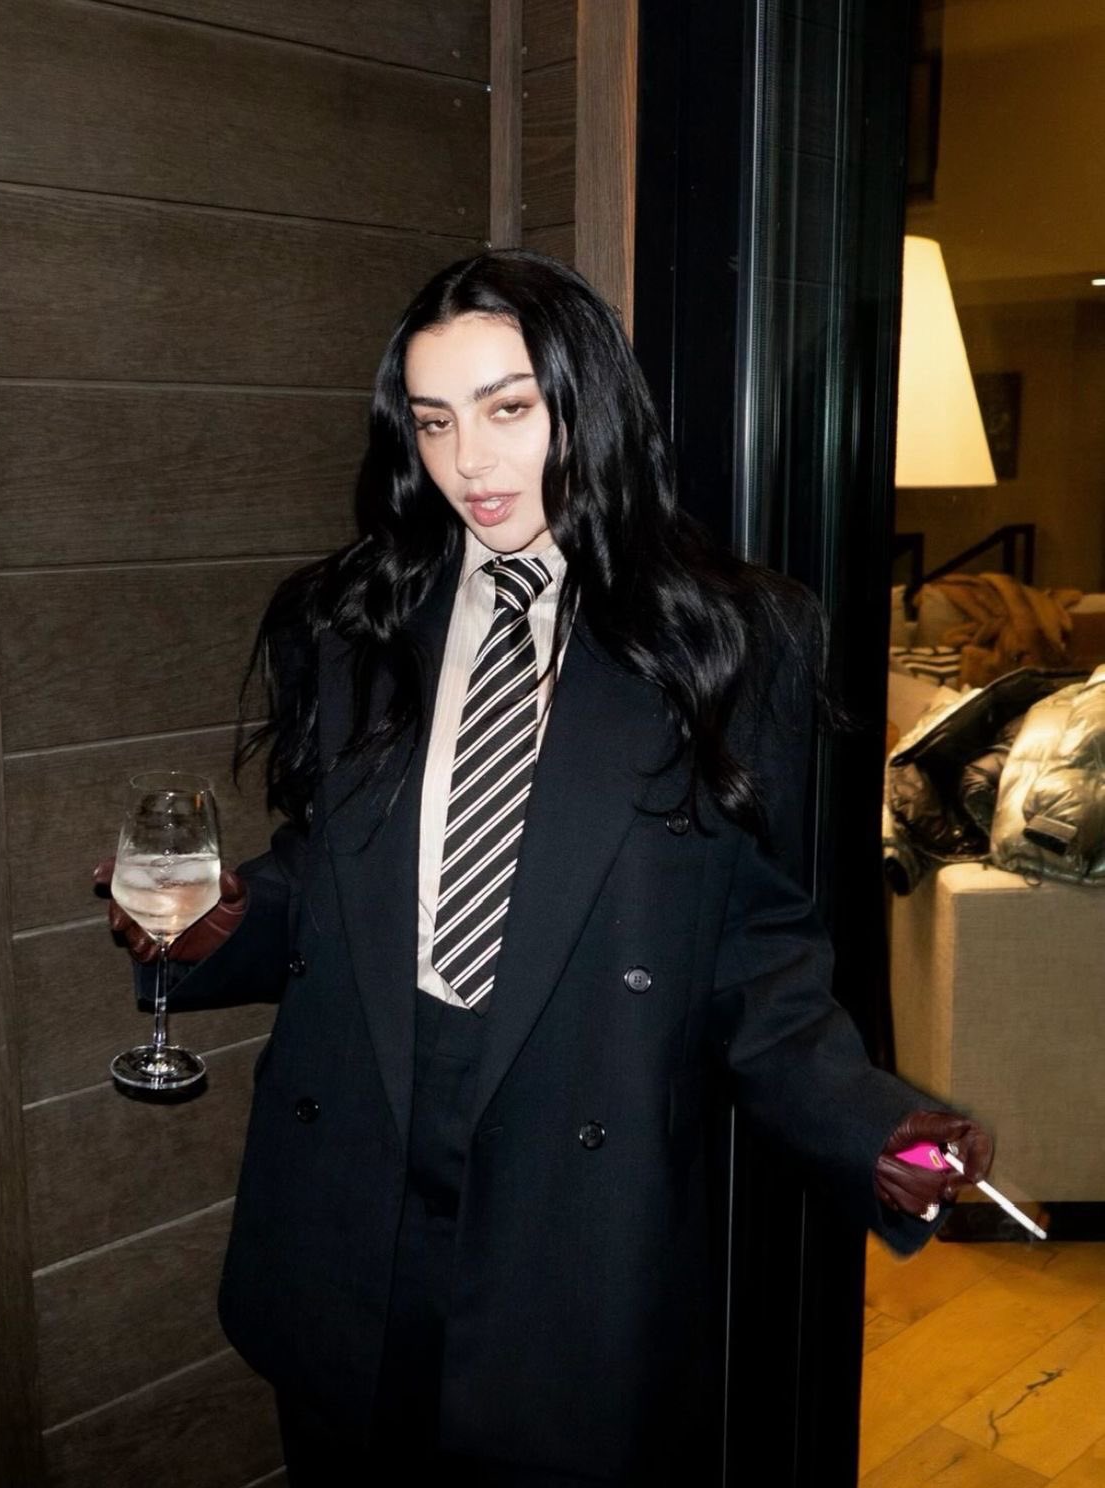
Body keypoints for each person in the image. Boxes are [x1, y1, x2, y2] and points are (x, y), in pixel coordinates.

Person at [97, 249, 992, 1485]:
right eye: (433, 422)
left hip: (576, 1176)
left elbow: (754, 948)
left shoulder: (736, 636)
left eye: (508, 408)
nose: (469, 461)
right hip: (356, 1160)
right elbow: (332, 876)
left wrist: (871, 1128)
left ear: (589, 404)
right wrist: (219, 922)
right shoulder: (347, 618)